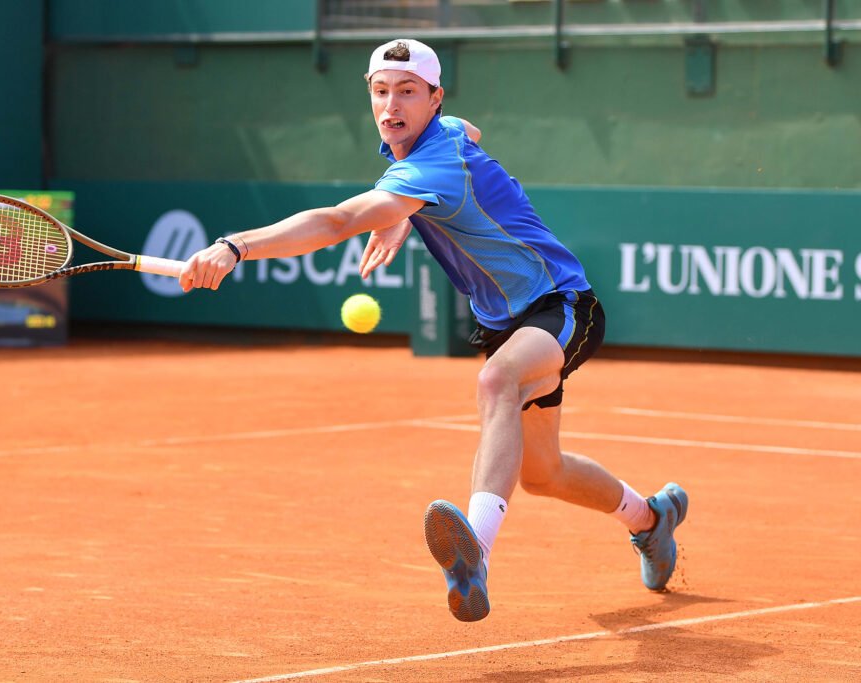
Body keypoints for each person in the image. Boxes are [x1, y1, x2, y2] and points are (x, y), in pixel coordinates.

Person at [179, 38, 688, 622]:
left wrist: (235, 245)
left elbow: (338, 220)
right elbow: (468, 129)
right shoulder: (437, 140)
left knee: (496, 381)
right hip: (505, 322)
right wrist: (403, 213)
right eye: (380, 91)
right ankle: (651, 519)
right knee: (544, 475)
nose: (391, 104)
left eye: (407, 92)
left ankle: (475, 556)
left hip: (561, 304)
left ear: (433, 98)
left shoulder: (430, 164)